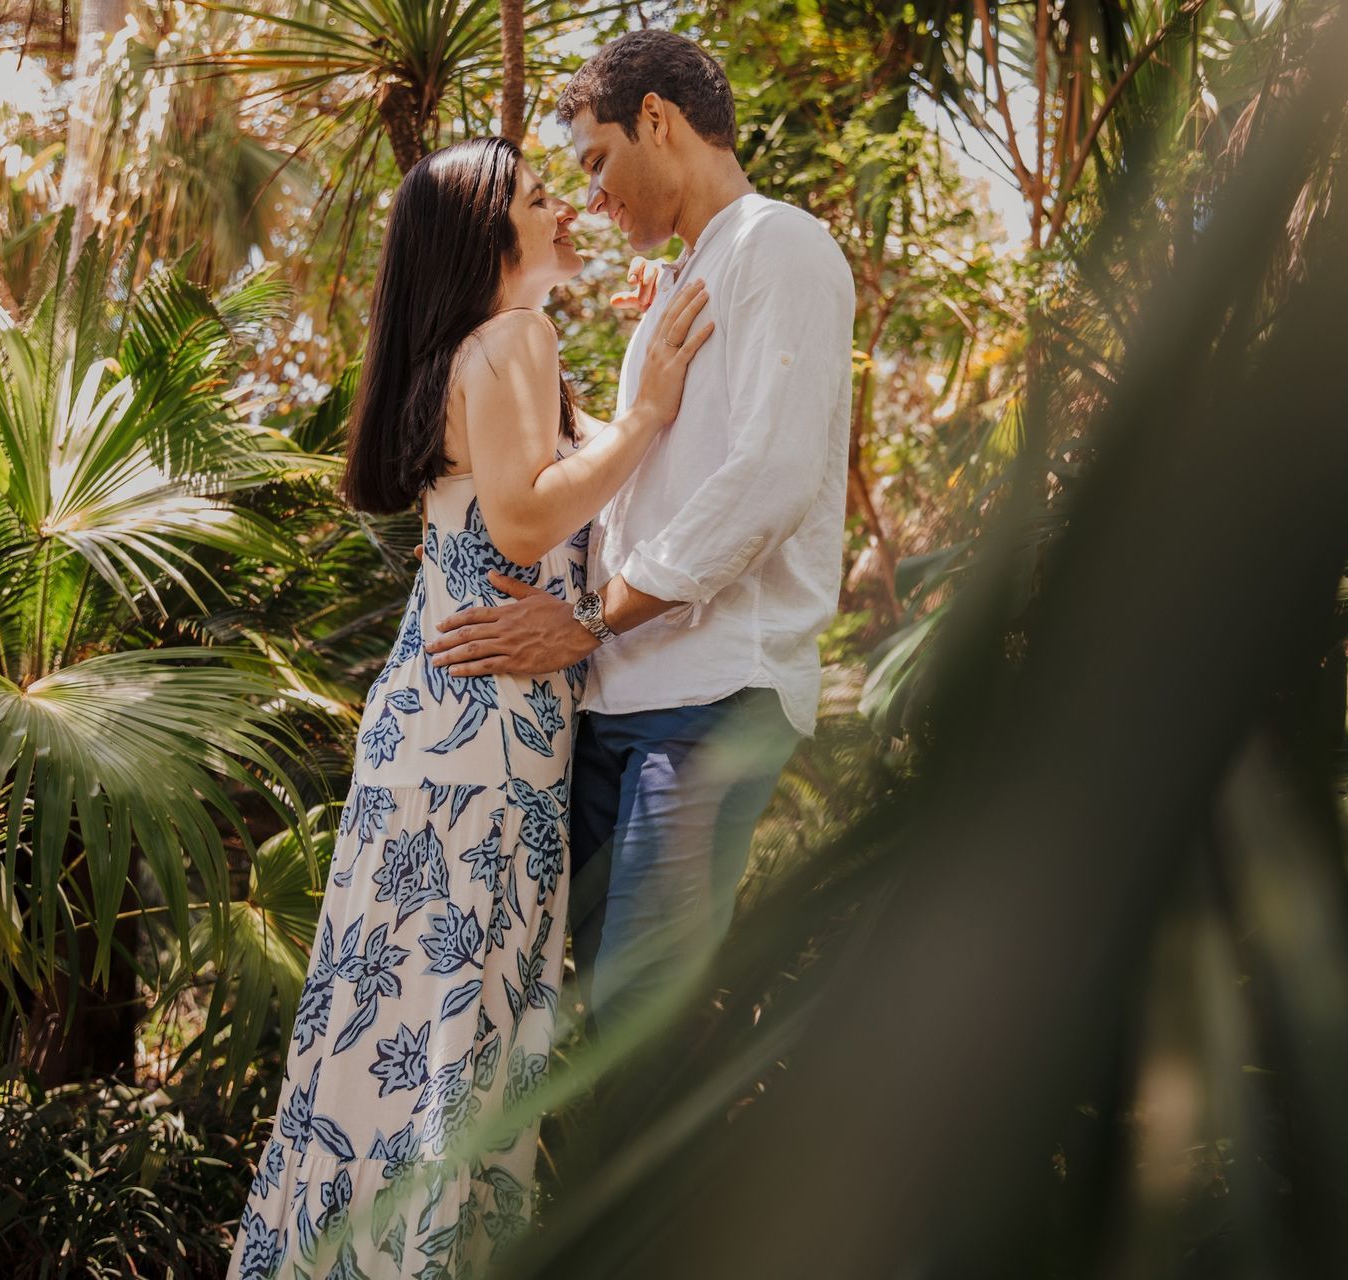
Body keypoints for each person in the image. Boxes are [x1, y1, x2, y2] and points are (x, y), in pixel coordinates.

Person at [229, 137, 713, 1280]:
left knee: (380, 1028)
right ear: (490, 235)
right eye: (546, 201)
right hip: (483, 739)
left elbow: (568, 481)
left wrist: (641, 370)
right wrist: (646, 413)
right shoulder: (517, 336)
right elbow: (528, 523)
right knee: (458, 1039)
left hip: (436, 727)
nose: (569, 212)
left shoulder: (476, 352)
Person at [425, 31, 856, 1040]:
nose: (593, 198)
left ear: (657, 120)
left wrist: (587, 620)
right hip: (617, 695)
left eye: (597, 162)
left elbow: (769, 478)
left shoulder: (778, 243)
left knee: (634, 1022)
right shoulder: (679, 281)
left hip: (708, 700)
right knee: (558, 1007)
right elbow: (637, 488)